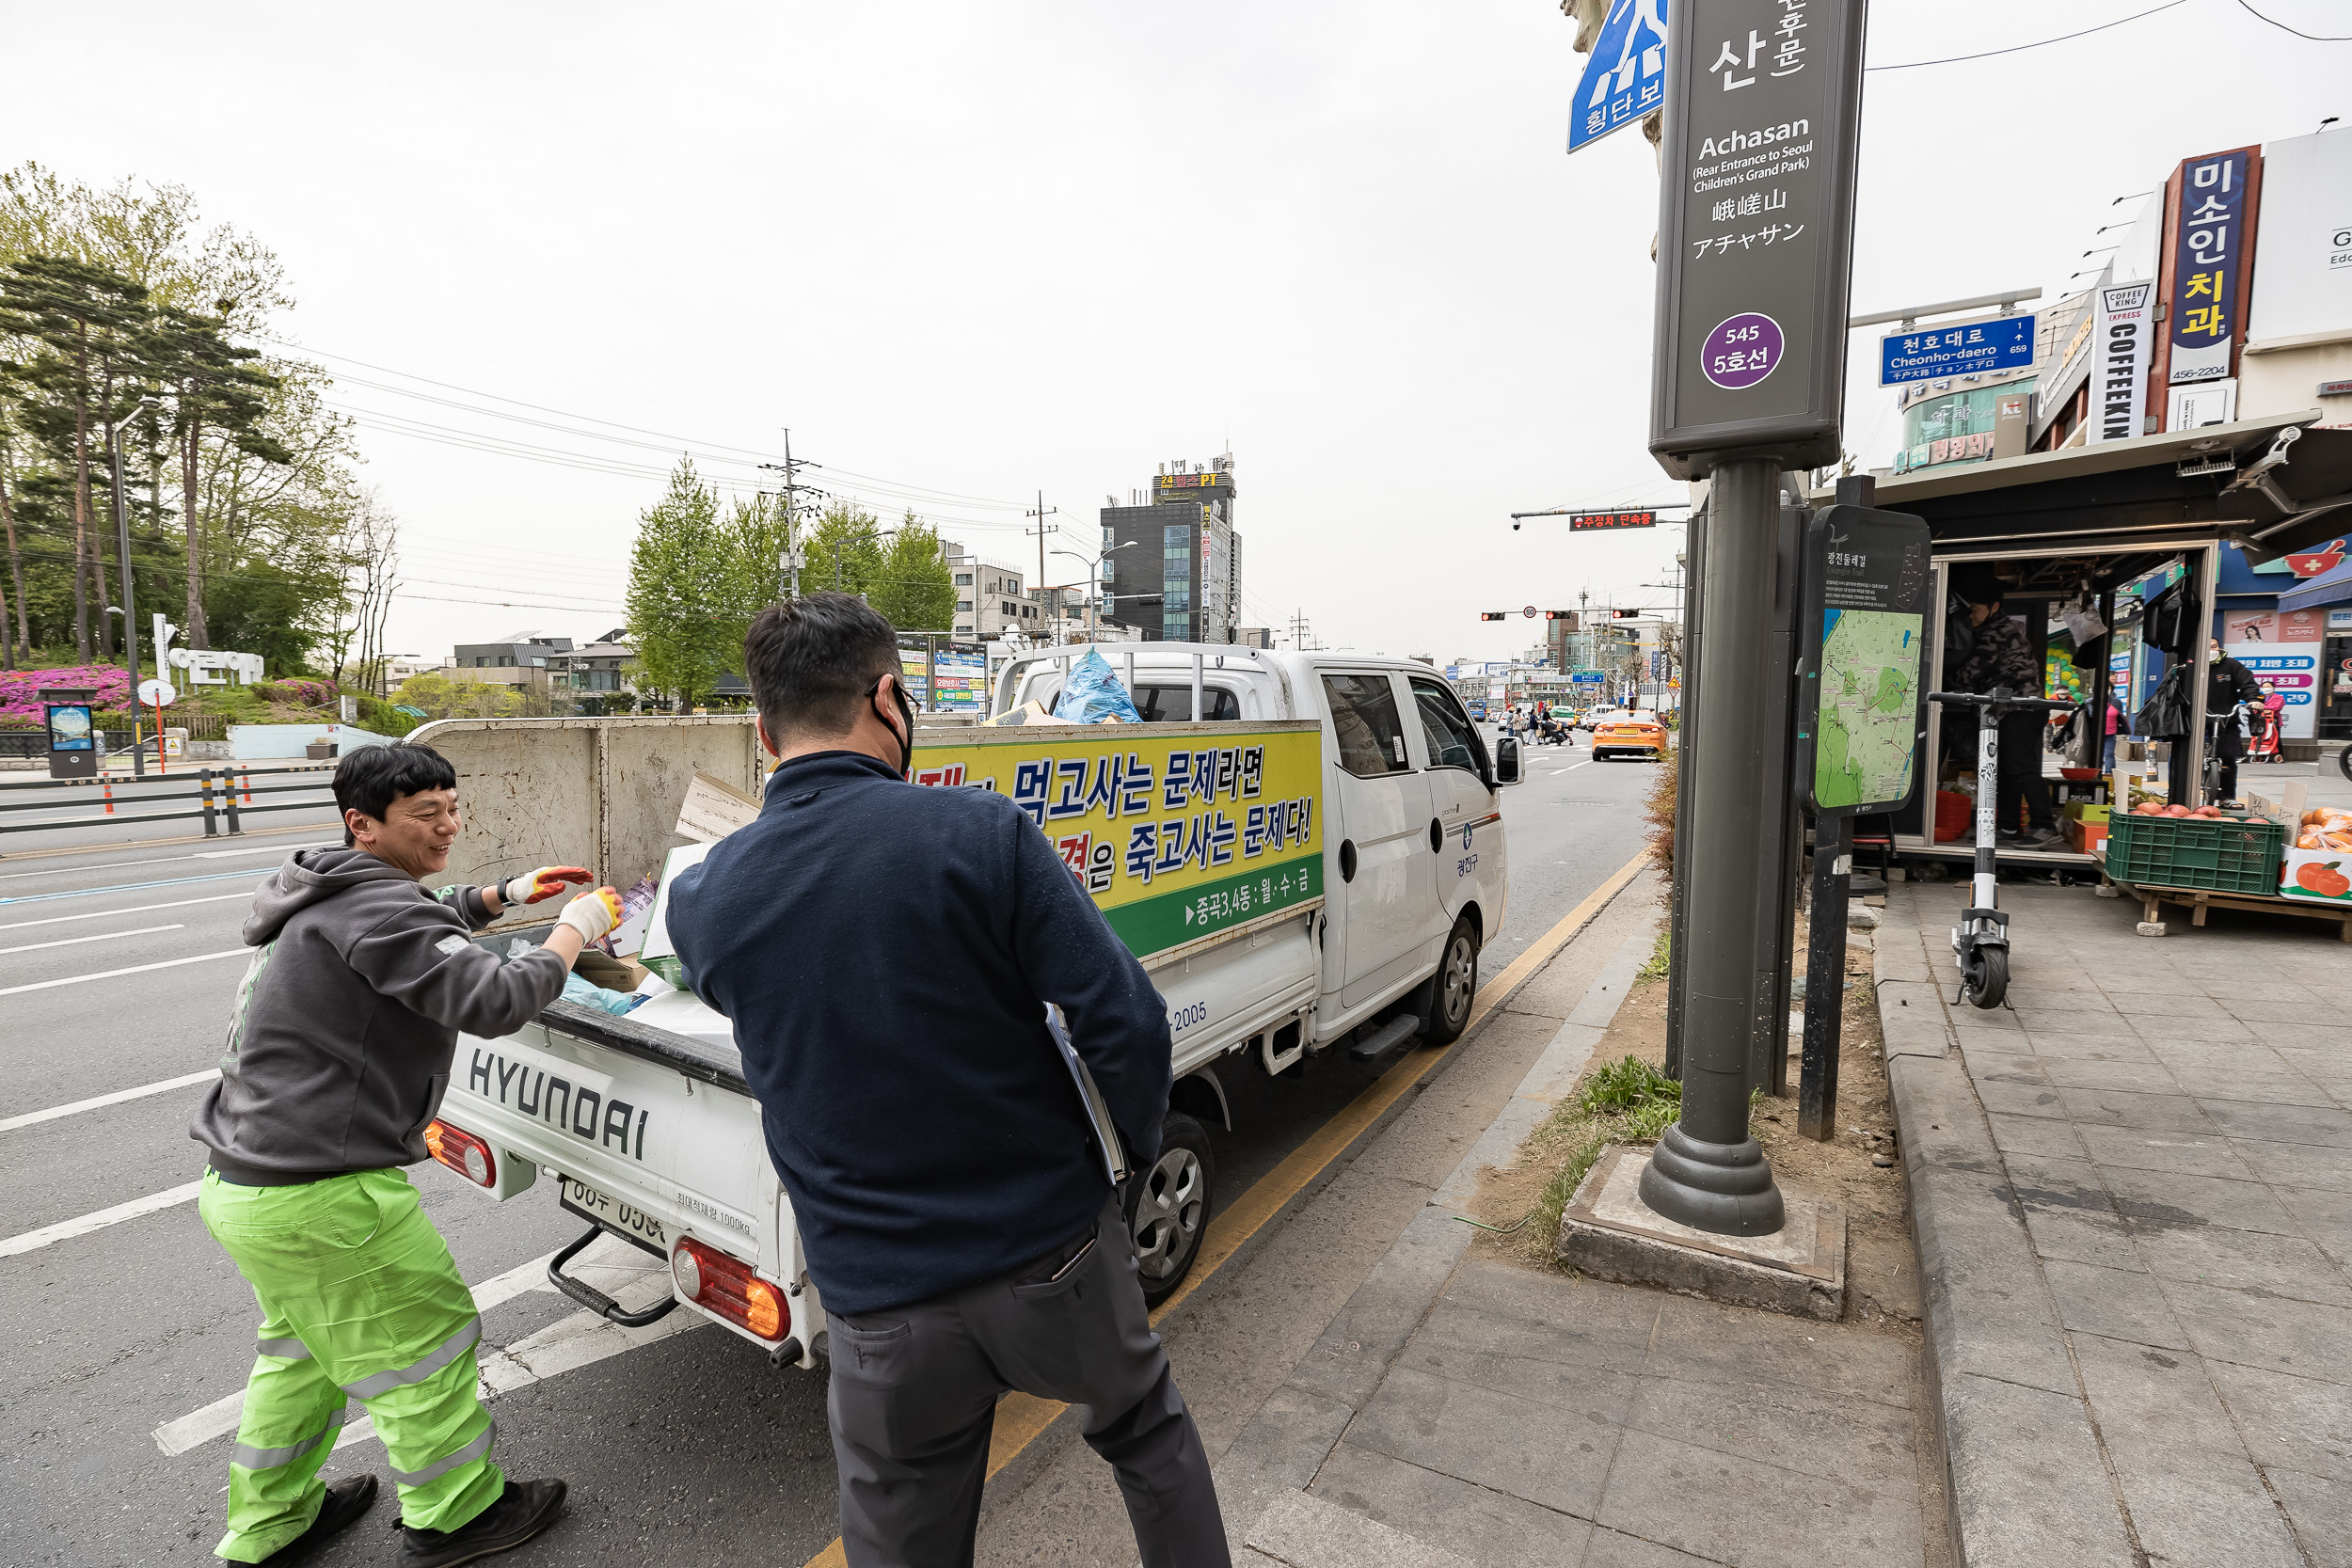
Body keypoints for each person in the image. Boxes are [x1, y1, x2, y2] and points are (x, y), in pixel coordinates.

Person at [664, 594, 1229, 1568]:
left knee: (902, 1532)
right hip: (1049, 1251)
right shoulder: (981, 834)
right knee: (1145, 1432)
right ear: (889, 698)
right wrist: (1134, 1155)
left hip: (877, 1301)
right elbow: (1121, 1016)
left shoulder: (705, 897)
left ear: (762, 730)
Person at [190, 743, 621, 1568]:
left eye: (453, 807)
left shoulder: (322, 890)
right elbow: (495, 998)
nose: (449, 825)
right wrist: (575, 927)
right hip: (323, 1193)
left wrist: (495, 897)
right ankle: (457, 1513)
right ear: (364, 823)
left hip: (248, 1184)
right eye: (427, 815)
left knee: (304, 1355)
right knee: (423, 1344)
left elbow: (407, 929)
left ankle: (272, 1519)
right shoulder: (383, 910)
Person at [1947, 574, 2062, 848]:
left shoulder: (1999, 632)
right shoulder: (1988, 629)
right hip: (2006, 711)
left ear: (1994, 607)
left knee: (2021, 767)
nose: (1970, 616)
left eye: (1974, 610)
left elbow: (1969, 673)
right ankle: (2009, 827)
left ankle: (2044, 825)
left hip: (2022, 709)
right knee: (2005, 769)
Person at [2200, 640, 2265, 802]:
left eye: (2213, 647)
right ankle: (2179, 793)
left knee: (2228, 756)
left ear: (2219, 648)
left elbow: (2247, 683)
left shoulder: (2231, 665)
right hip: (2196, 718)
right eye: (2206, 647)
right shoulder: (2191, 664)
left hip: (2226, 718)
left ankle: (2227, 797)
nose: (2210, 650)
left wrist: (2254, 699)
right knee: (2182, 755)